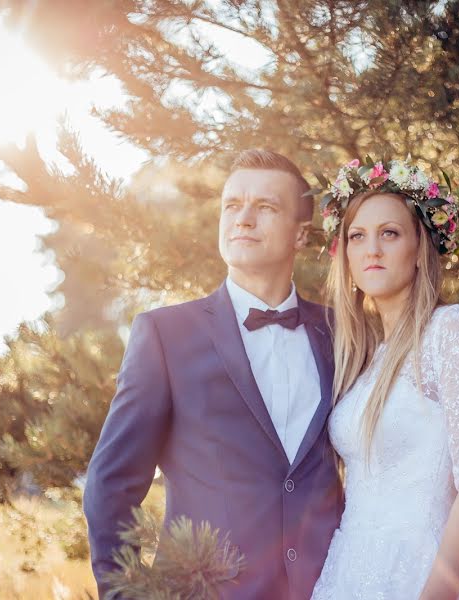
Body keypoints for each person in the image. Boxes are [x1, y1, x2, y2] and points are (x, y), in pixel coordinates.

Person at [82, 150, 343, 600]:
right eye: (232, 205)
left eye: (265, 207)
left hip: (334, 587)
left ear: (301, 235)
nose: (243, 218)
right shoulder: (164, 334)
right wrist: (127, 594)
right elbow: (111, 485)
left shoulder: (344, 333)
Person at [310, 158, 459, 600]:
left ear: (420, 249)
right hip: (347, 577)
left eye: (390, 233)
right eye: (357, 236)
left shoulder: (451, 329)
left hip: (423, 580)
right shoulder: (365, 360)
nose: (371, 250)